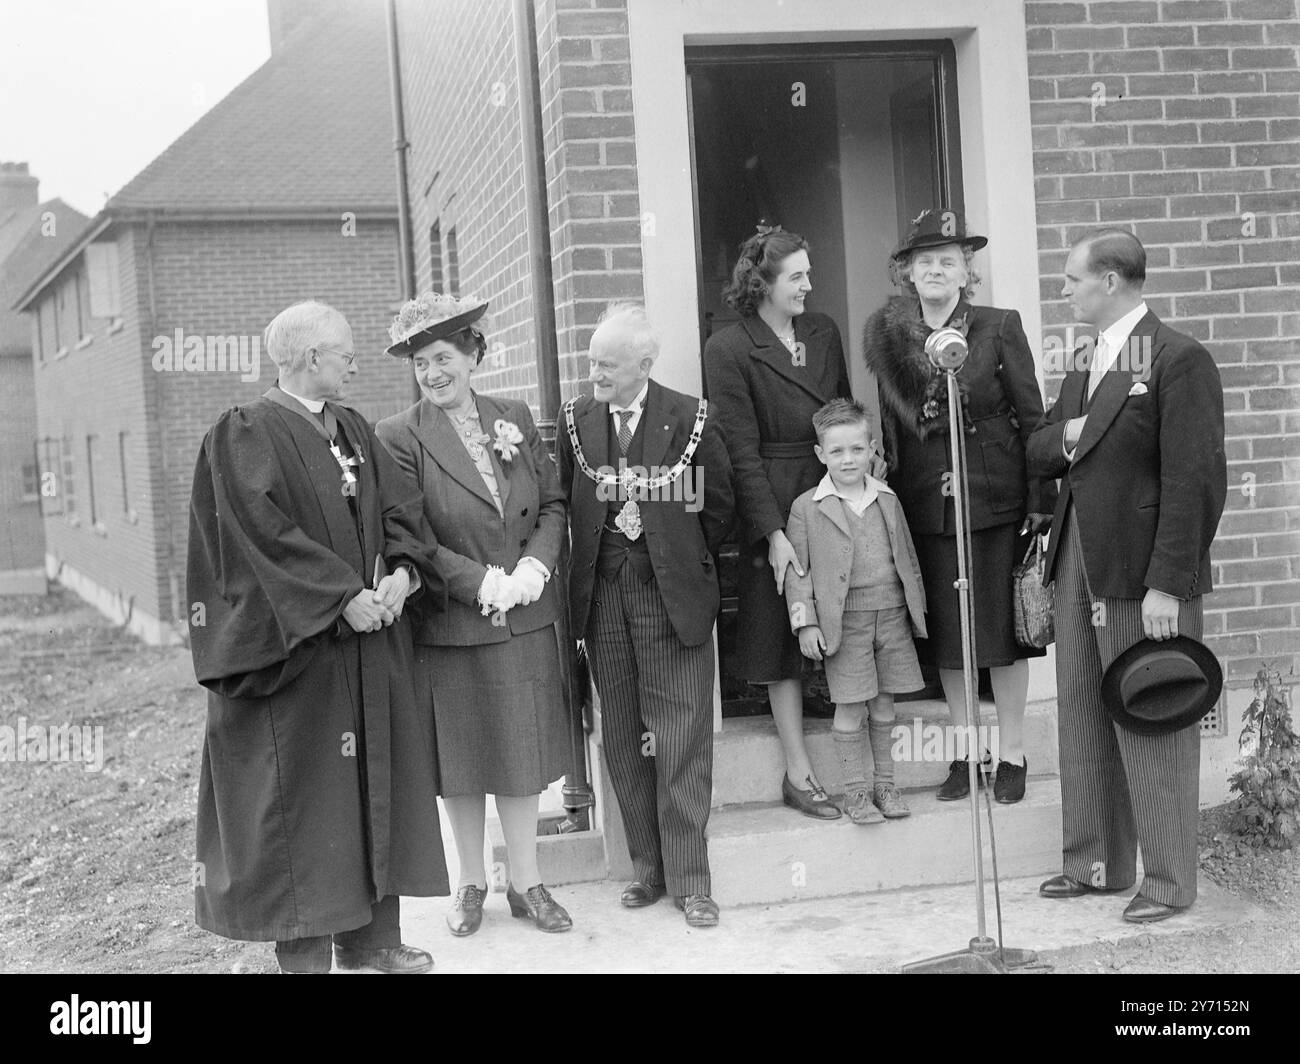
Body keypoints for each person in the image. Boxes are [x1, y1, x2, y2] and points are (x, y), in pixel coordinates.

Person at [187, 300, 448, 974]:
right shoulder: (245, 434)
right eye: (345, 352)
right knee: (305, 806)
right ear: (309, 358)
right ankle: (304, 954)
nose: (356, 361)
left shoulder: (355, 428)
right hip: (301, 659)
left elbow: (402, 514)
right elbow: (257, 543)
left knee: (374, 785)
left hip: (370, 649)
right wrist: (339, 601)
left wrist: (401, 575)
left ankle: (372, 942)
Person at [1027, 229, 1226, 922]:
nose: (1064, 290)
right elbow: (1041, 448)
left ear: (1111, 281)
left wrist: (1169, 583)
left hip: (1143, 576)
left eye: (1073, 279)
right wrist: (1073, 432)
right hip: (1078, 562)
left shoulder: (1180, 359)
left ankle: (1168, 883)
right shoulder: (1084, 362)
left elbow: (1195, 480)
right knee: (1082, 709)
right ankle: (1095, 864)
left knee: (1152, 714)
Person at [376, 292, 573, 936]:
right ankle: (470, 883)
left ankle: (528, 883)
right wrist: (482, 582)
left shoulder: (511, 415)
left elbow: (552, 504)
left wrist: (533, 570)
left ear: (473, 354)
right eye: (420, 363)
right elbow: (410, 535)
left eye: (443, 358)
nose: (432, 373)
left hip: (524, 618)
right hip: (452, 623)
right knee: (459, 762)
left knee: (520, 755)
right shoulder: (398, 436)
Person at [862, 208, 1057, 805]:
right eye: (926, 263)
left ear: (966, 271)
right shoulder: (891, 339)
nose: (938, 271)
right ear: (908, 274)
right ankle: (965, 752)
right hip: (927, 503)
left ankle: (1013, 753)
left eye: (950, 261)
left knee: (1002, 633)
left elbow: (1032, 418)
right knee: (949, 636)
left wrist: (1039, 501)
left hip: (996, 502)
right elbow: (892, 435)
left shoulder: (998, 326)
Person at [558, 303, 733, 928]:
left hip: (670, 596)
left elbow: (718, 510)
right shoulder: (575, 419)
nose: (594, 372)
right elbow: (567, 505)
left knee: (681, 735)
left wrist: (684, 569)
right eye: (591, 361)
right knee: (626, 733)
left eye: (607, 364)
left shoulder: (690, 416)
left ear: (644, 364)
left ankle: (692, 881)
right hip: (603, 596)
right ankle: (648, 872)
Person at [705, 224, 882, 821]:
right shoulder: (728, 348)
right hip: (773, 501)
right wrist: (773, 533)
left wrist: (859, 484)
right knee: (783, 628)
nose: (810, 284)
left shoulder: (823, 331)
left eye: (809, 272)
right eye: (798, 276)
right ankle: (797, 769)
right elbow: (738, 450)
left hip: (833, 489)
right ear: (764, 283)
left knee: (848, 614)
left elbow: (842, 413)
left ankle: (862, 766)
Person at [784, 399, 928, 824]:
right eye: (837, 451)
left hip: (892, 616)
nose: (848, 459)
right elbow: (799, 573)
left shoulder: (887, 498)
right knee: (850, 705)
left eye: (857, 449)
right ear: (820, 455)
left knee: (885, 705)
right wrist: (805, 623)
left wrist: (916, 610)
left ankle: (886, 785)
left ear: (871, 449)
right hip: (844, 623)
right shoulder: (807, 507)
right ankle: (856, 793)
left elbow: (908, 558)